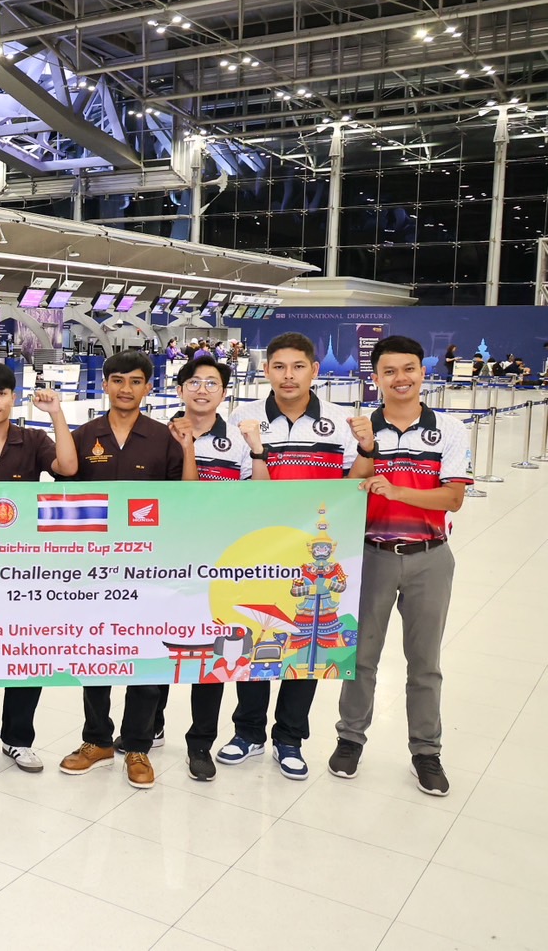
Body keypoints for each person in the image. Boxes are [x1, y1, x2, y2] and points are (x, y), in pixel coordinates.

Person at [330, 336, 469, 796]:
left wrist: (396, 491)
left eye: (408, 369)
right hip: (371, 555)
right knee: (361, 657)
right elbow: (348, 490)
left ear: (423, 373)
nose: (400, 378)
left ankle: (426, 751)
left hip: (430, 557)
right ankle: (350, 738)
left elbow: (452, 498)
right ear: (376, 378)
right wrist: (367, 456)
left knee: (425, 662)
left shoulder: (448, 429)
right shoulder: (359, 429)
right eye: (389, 371)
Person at [224, 332, 365, 780]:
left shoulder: (340, 421)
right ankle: (247, 732)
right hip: (260, 550)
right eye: (279, 367)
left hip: (315, 555)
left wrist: (367, 448)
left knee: (308, 645)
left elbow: (354, 485)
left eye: (298, 366)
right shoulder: (242, 417)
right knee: (259, 637)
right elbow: (237, 485)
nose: (288, 376)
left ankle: (289, 738)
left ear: (314, 370)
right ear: (266, 371)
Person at [58, 350, 194, 790]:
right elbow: (64, 501)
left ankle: (137, 745)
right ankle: (96, 739)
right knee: (95, 653)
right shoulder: (84, 436)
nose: (125, 389)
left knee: (146, 655)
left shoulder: (163, 438)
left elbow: (183, 498)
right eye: (117, 380)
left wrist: (188, 447)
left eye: (135, 381)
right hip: (93, 568)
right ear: (104, 384)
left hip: (148, 568)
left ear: (148, 388)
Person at [138, 355, 266, 782]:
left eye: (212, 383)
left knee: (211, 653)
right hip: (164, 559)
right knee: (157, 645)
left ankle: (200, 742)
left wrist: (257, 450)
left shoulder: (238, 440)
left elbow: (259, 497)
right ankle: (151, 726)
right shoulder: (156, 435)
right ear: (179, 390)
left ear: (224, 392)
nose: (202, 390)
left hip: (218, 563)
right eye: (193, 382)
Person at [0, 362, 77, 775]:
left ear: (13, 397)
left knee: (28, 650)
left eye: (1, 393)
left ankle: (19, 739)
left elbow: (68, 467)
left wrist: (56, 414)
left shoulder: (33, 440)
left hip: (27, 567)